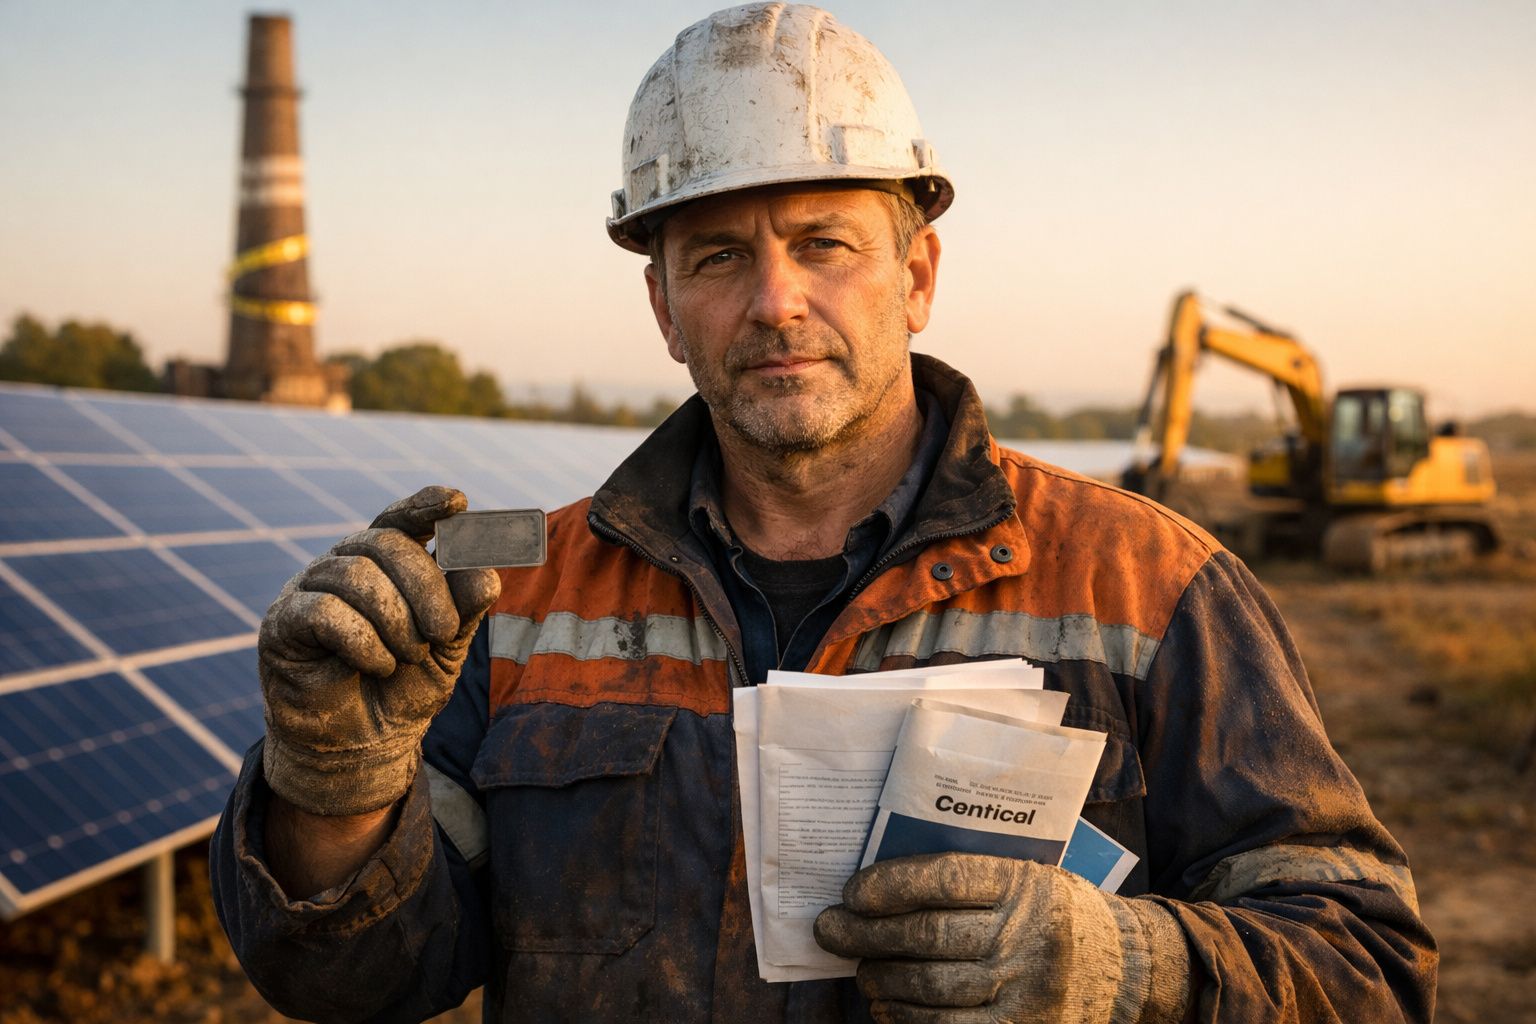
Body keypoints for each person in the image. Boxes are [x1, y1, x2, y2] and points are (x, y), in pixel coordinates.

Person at [211, 4, 1437, 1022]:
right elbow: (357, 978)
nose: (777, 302)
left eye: (824, 243)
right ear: (664, 308)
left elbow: (1371, 967)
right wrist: (335, 791)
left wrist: (1121, 965)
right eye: (718, 257)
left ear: (917, 276)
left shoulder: (1147, 582)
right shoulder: (522, 594)